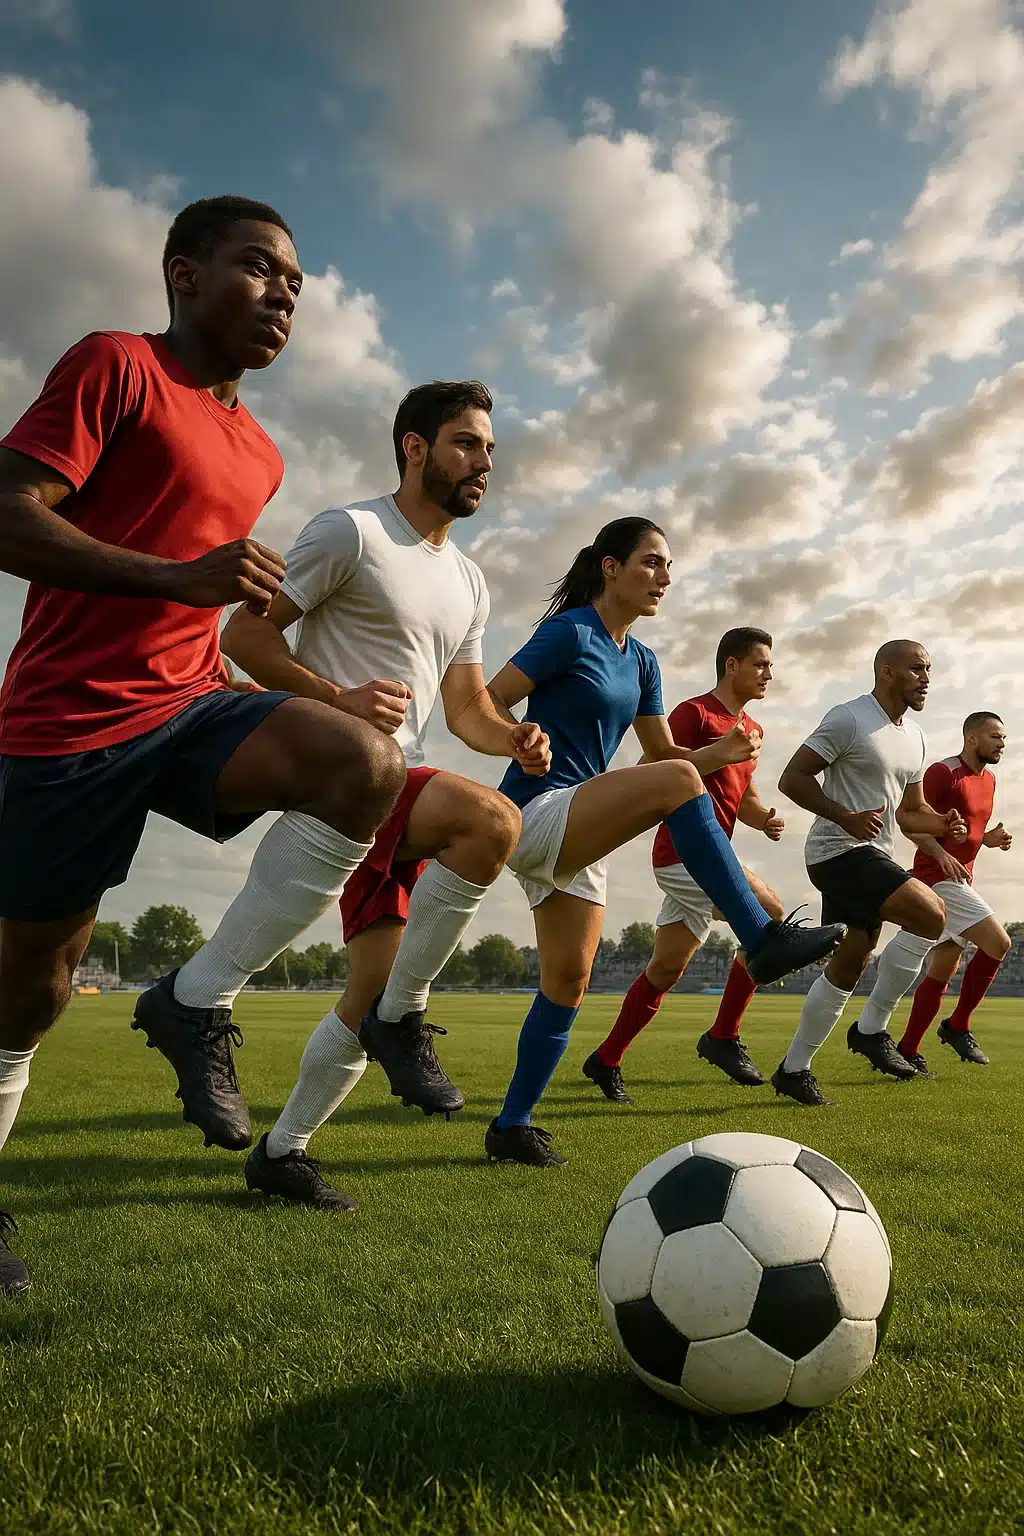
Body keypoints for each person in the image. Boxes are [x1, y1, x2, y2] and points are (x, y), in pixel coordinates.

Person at [0, 197, 405, 1295]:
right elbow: (5, 512)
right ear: (184, 273)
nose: (283, 295)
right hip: (67, 728)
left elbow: (209, 611)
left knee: (359, 765)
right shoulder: (115, 366)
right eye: (259, 268)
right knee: (32, 989)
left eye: (297, 285)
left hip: (188, 704)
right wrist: (174, 576)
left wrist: (302, 683)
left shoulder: (261, 452)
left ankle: (195, 998)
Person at [215, 380, 550, 1211]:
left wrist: (511, 734)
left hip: (394, 789)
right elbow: (244, 635)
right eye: (468, 444)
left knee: (364, 992)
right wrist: (340, 700)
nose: (484, 463)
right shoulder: (352, 531)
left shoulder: (468, 580)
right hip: (345, 779)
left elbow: (466, 708)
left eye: (490, 450)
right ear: (414, 447)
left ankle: (282, 1152)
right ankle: (405, 1018)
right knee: (490, 822)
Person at [480, 518, 846, 1166]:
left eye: (668, 566)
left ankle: (513, 1125)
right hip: (535, 808)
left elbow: (662, 757)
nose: (665, 578)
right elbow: (491, 699)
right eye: (652, 563)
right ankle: (760, 940)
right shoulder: (569, 633)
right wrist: (519, 737)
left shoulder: (643, 661)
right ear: (611, 568)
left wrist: (720, 755)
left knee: (569, 980)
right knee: (679, 780)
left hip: (580, 829)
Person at [583, 627, 786, 1103]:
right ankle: (723, 1036)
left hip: (716, 857)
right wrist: (717, 753)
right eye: (760, 664)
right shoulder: (692, 713)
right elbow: (651, 771)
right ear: (731, 665)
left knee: (665, 970)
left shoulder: (752, 730)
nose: (769, 674)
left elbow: (747, 797)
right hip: (681, 854)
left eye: (770, 666)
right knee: (771, 915)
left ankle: (605, 1059)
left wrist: (765, 819)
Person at [771, 640, 967, 1106]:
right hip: (836, 850)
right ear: (886, 672)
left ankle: (793, 1070)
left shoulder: (915, 736)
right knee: (931, 914)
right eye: (917, 669)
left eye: (929, 669)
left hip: (870, 850)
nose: (926, 678)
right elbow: (792, 779)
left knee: (851, 962)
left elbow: (910, 812)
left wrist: (941, 824)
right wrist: (844, 816)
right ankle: (873, 1029)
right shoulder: (849, 718)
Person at [855, 712, 1012, 1073]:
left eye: (1003, 738)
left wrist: (987, 840)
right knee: (999, 943)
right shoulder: (943, 772)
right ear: (971, 738)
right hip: (936, 879)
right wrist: (939, 853)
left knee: (942, 969)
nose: (1001, 744)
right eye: (994, 737)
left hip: (960, 880)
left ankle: (908, 1049)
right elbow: (909, 819)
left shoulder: (988, 780)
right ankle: (957, 1025)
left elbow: (966, 833)